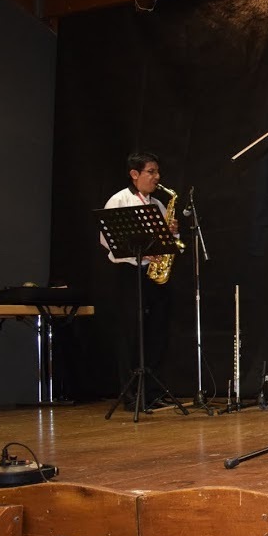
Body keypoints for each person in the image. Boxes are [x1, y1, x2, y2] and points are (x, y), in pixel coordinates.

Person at [99, 152, 177, 409]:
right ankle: (130, 394)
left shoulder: (158, 205)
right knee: (130, 334)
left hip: (151, 275)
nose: (157, 177)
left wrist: (170, 234)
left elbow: (167, 243)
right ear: (134, 174)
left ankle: (152, 392)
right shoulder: (119, 200)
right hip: (129, 273)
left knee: (155, 332)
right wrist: (140, 252)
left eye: (157, 171)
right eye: (151, 172)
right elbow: (107, 240)